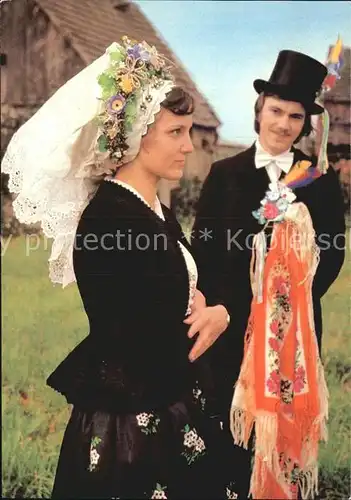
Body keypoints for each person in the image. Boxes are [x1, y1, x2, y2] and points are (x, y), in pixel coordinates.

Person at [2, 38, 237, 499]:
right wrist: (212, 316)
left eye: (189, 131)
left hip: (165, 399)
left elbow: (175, 293)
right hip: (131, 421)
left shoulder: (152, 209)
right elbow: (134, 333)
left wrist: (209, 305)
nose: (189, 146)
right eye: (176, 132)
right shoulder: (110, 217)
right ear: (134, 135)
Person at [191, 50, 346, 499]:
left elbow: (332, 254)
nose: (283, 124)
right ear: (259, 112)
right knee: (236, 430)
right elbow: (204, 249)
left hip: (292, 331)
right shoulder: (225, 175)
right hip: (232, 326)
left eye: (295, 116)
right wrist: (239, 304)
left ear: (305, 123)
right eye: (276, 111)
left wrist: (288, 298)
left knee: (285, 431)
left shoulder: (316, 181)